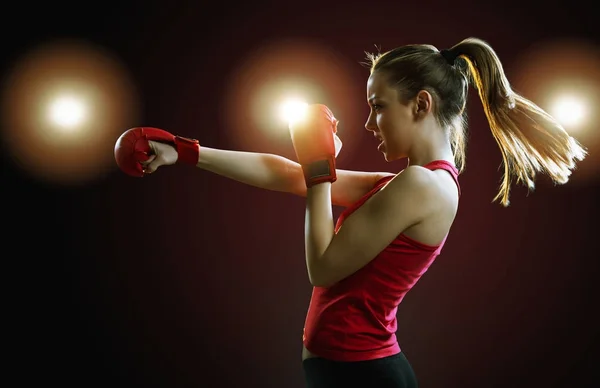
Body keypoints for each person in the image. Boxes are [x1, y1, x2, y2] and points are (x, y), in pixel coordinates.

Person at [114, 37, 587, 387]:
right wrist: (186, 151)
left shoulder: (422, 185)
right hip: (352, 372)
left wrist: (321, 165)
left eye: (378, 106)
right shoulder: (412, 181)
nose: (368, 123)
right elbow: (290, 175)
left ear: (421, 104)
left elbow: (322, 264)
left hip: (363, 376)